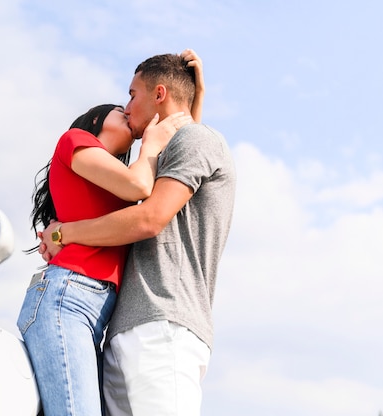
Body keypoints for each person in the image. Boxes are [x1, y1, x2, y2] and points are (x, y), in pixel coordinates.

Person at [39, 51, 236, 416]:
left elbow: (149, 219)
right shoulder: (154, 157)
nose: (127, 106)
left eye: (132, 94)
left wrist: (64, 233)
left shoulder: (198, 141)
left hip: (164, 327)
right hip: (122, 333)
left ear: (158, 94)